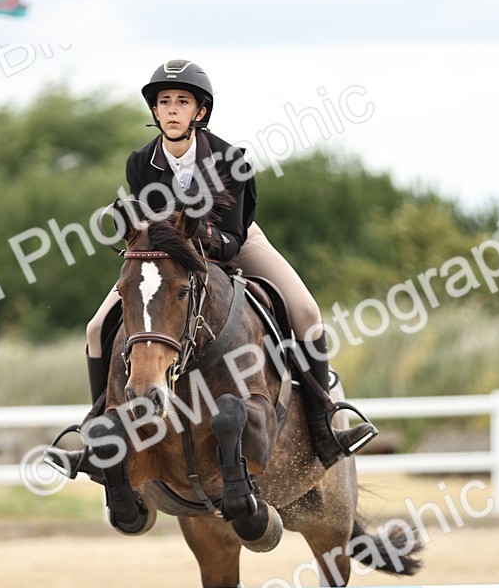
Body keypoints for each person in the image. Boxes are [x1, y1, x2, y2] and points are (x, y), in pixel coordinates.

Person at [84, 58, 377, 467]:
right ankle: (98, 425)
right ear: (154, 110)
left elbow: (233, 236)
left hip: (234, 243)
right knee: (97, 327)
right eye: (164, 101)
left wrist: (192, 236)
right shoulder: (140, 162)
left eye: (181, 102)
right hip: (168, 259)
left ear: (200, 111)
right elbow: (150, 228)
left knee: (307, 311)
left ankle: (324, 419)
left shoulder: (230, 159)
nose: (171, 109)